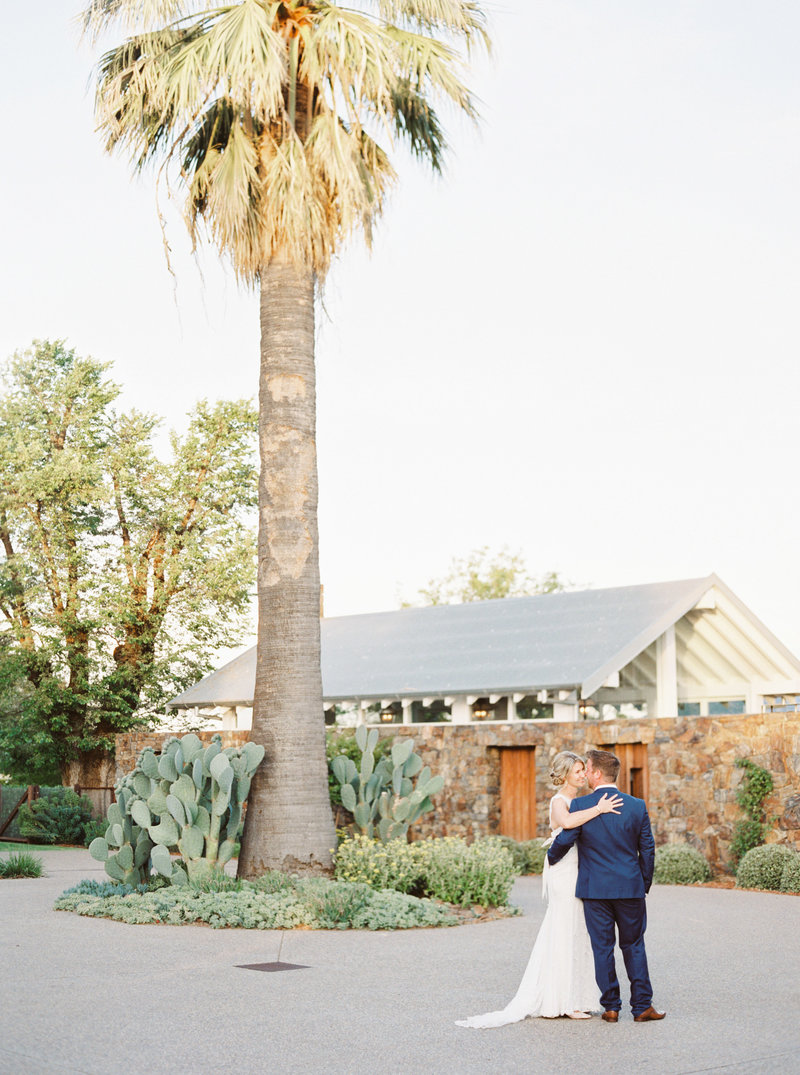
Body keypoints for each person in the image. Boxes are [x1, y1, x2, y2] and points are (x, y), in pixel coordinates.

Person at [455, 751, 623, 1028]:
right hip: (564, 872)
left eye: (584, 770)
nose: (582, 775)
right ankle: (562, 1001)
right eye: (578, 771)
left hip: (579, 869)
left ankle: (574, 996)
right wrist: (599, 810)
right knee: (565, 928)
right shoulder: (560, 801)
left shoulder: (579, 800)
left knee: (577, 930)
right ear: (566, 773)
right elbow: (568, 823)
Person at [547, 748, 665, 1023]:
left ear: (597, 773)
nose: (585, 773)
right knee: (634, 945)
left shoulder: (580, 806)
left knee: (602, 948)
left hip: (594, 890)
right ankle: (642, 1007)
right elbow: (647, 849)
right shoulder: (636, 806)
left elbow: (565, 840)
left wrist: (550, 858)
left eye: (587, 769)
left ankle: (611, 1007)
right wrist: (642, 884)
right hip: (629, 888)